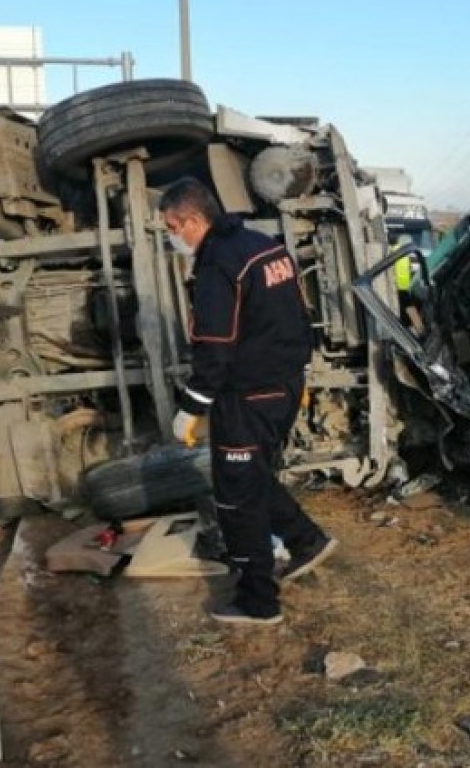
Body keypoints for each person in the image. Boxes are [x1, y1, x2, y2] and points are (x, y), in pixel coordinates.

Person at [160, 178, 338, 626]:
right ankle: (307, 540)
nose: (172, 236)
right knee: (255, 475)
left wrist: (192, 406)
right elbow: (301, 315)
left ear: (195, 220)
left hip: (246, 395)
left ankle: (258, 602)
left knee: (236, 494)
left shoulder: (218, 263)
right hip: (284, 386)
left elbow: (214, 346)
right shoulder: (266, 246)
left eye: (172, 226)